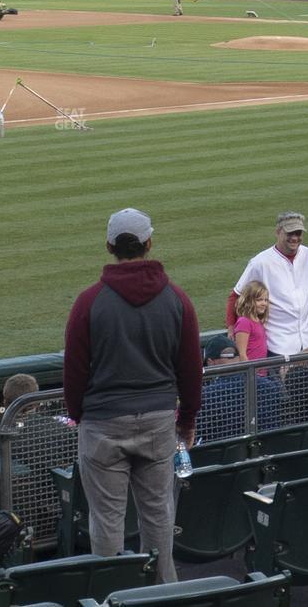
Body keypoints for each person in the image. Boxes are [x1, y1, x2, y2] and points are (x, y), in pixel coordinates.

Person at [63, 208, 202, 584]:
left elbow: (74, 374)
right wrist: (186, 421)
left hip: (103, 424)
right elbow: (191, 370)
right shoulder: (177, 300)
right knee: (158, 516)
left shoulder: (89, 302)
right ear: (149, 243)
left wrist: (81, 415)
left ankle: (112, 594)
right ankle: (163, 594)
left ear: (109, 246)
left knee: (106, 521)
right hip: (158, 421)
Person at [230, 213, 308, 357]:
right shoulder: (260, 262)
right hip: (277, 346)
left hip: (306, 342)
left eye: (298, 233)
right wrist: (231, 328)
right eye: (289, 233)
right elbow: (235, 295)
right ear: (278, 232)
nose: (294, 238)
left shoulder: (307, 254)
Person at [195, 335, 282, 442]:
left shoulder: (207, 395)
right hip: (269, 452)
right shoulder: (269, 385)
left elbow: (194, 435)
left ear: (210, 362)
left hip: (225, 456)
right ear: (238, 357)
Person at [230, 281, 271, 361]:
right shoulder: (244, 322)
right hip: (251, 372)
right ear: (248, 300)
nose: (264, 303)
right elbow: (241, 354)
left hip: (261, 372)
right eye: (259, 300)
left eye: (266, 300)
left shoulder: (258, 321)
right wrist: (250, 372)